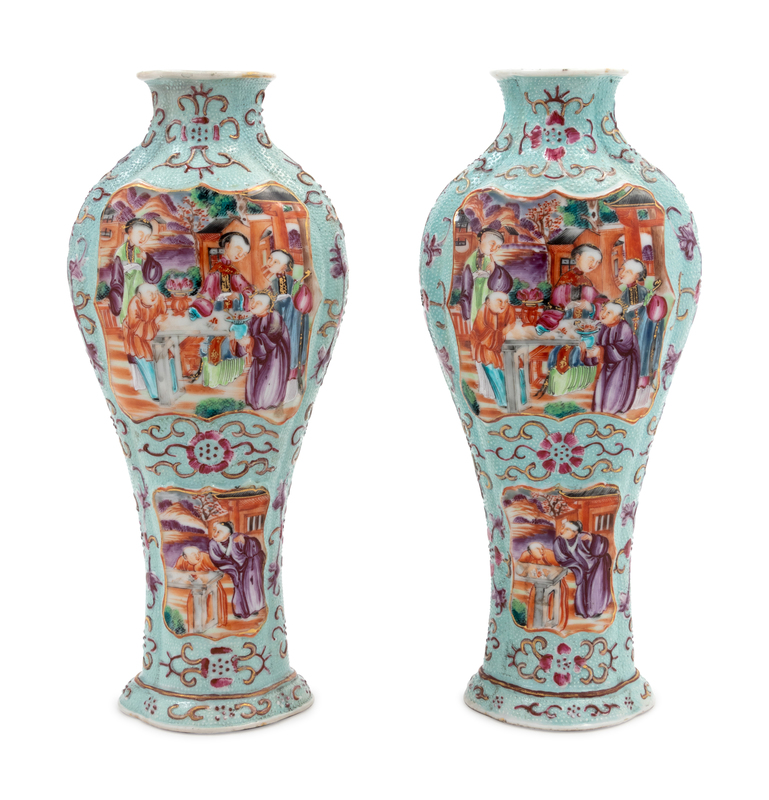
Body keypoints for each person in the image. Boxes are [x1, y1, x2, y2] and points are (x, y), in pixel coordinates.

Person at [265, 249, 311, 401]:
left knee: (290, 348)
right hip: (280, 319)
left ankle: (289, 387)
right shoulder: (273, 282)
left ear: (284, 267)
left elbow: (284, 301)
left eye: (276, 262)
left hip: (289, 318)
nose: (270, 263)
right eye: (270, 259)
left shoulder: (286, 281)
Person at [580, 301, 640, 415]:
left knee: (614, 392)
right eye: (603, 310)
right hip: (608, 364)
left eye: (609, 313)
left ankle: (613, 410)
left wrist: (600, 351)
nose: (603, 314)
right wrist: (587, 352)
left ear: (617, 317)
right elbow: (597, 347)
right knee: (601, 392)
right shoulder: (602, 327)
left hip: (623, 366)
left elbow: (623, 349)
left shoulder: (624, 328)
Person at [234, 293, 291, 411]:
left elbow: (271, 338)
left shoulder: (275, 317)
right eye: (252, 301)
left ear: (267, 307)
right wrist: (242, 342)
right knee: (254, 385)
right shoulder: (254, 319)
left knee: (267, 387)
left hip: (275, 357)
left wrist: (250, 341)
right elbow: (247, 338)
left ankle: (269, 407)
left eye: (258, 303)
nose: (253, 305)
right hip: (259, 358)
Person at [617, 259, 663, 388]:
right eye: (622, 269)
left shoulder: (644, 292)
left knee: (642, 349)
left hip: (644, 332)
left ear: (637, 276)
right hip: (629, 332)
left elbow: (652, 313)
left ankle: (643, 378)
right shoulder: (624, 295)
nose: (622, 273)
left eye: (628, 272)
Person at [553, 520, 612, 618]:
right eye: (563, 527)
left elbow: (601, 548)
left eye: (567, 529)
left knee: (596, 587)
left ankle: (596, 610)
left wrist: (592, 539)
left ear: (575, 532)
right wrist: (576, 565)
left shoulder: (583, 537)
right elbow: (561, 558)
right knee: (582, 582)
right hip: (581, 566)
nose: (562, 530)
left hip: (597, 564)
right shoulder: (559, 542)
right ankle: (583, 611)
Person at [108, 218, 163, 324]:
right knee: (128, 315)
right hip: (126, 289)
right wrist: (117, 294)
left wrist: (147, 258)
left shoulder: (139, 251)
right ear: (130, 231)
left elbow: (151, 274)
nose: (143, 239)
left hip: (139, 288)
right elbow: (116, 278)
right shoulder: (120, 253)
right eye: (141, 234)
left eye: (147, 236)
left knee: (141, 316)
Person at [207, 522, 266, 619]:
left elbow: (255, 546)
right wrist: (232, 568)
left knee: (250, 586)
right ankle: (239, 611)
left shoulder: (237, 538)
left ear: (228, 534)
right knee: (238, 586)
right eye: (214, 530)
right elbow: (216, 559)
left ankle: (253, 608)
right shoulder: (213, 544)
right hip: (232, 568)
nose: (215, 534)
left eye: (219, 532)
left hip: (248, 565)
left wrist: (246, 541)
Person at [190, 232, 254, 319]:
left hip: (235, 312)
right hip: (218, 312)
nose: (240, 255)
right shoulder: (215, 272)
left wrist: (238, 296)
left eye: (244, 254)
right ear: (227, 246)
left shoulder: (235, 273)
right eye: (238, 250)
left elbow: (248, 290)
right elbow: (206, 294)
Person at [469, 291, 517, 407]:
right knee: (492, 365)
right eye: (499, 301)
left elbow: (511, 325)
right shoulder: (483, 310)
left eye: (506, 302)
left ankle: (518, 399)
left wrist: (504, 334)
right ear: (488, 302)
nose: (503, 305)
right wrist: (500, 335)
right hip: (485, 346)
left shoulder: (509, 309)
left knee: (517, 365)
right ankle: (504, 400)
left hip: (502, 344)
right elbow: (481, 333)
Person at [122, 283, 168, 400]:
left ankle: (171, 389)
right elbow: (134, 325)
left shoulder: (160, 298)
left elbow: (163, 315)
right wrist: (154, 323)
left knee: (168, 356)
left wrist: (160, 323)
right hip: (137, 336)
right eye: (149, 294)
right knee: (145, 360)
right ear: (139, 296)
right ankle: (154, 393)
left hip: (156, 333)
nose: (153, 296)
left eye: (155, 293)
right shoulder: (134, 303)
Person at [174, 545, 228, 628]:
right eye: (193, 555)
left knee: (212, 605)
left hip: (211, 585)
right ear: (185, 557)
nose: (197, 556)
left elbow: (219, 571)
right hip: (195, 587)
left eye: (198, 553)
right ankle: (196, 626)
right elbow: (176, 572)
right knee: (194, 605)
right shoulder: (181, 560)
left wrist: (204, 577)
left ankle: (215, 623)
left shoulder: (205, 557)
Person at [460, 228, 505, 325]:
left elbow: (500, 281)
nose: (494, 248)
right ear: (483, 238)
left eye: (498, 246)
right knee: (477, 322)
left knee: (489, 322)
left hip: (488, 298)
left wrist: (494, 270)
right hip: (475, 297)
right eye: (492, 243)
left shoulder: (490, 260)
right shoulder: (471, 260)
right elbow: (466, 285)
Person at [551, 243, 607, 319]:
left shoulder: (587, 282)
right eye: (591, 259)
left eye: (598, 262)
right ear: (578, 257)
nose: (594, 265)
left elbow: (602, 303)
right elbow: (553, 308)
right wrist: (567, 307)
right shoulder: (564, 280)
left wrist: (591, 307)